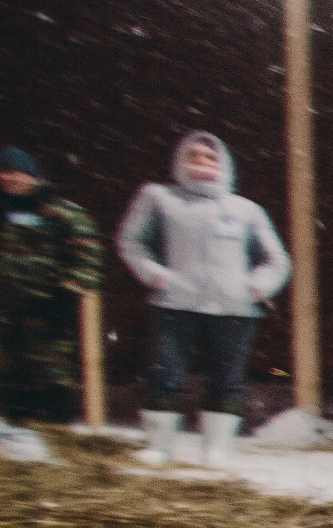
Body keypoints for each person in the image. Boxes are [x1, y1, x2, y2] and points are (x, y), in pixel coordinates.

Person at [114, 132, 291, 468]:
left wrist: (258, 285)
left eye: (210, 157)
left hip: (235, 308)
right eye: (193, 156)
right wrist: (153, 273)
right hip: (175, 302)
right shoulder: (160, 198)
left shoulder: (246, 210)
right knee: (166, 372)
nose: (202, 163)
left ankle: (217, 450)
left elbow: (278, 260)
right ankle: (159, 447)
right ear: (181, 161)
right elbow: (130, 241)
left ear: (224, 163)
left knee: (227, 377)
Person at [0, 148, 102, 433]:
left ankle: (56, 440)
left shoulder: (62, 213)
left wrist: (66, 295)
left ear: (32, 175)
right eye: (4, 171)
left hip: (49, 321)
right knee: (11, 386)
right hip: (7, 321)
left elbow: (88, 258)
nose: (9, 178)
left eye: (16, 171)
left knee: (53, 383)